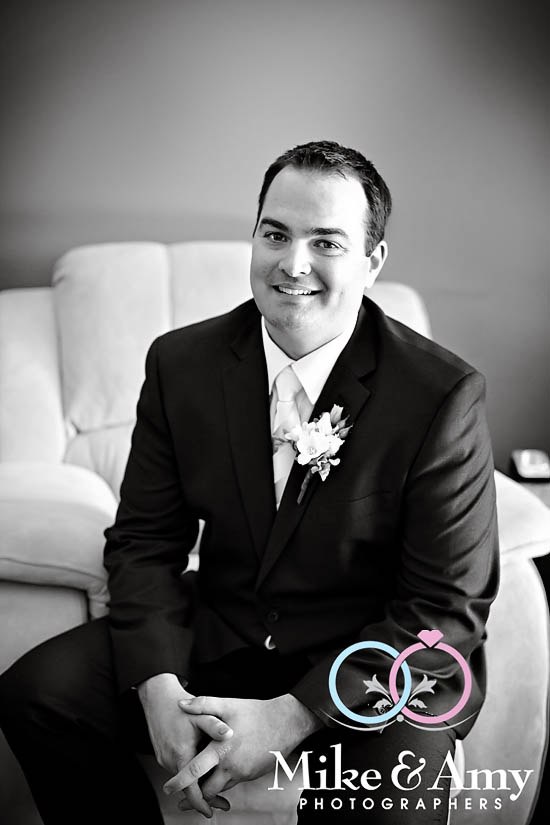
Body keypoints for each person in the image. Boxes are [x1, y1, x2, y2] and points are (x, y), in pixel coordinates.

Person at [0, 141, 499, 824]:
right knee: (39, 693)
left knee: (394, 799)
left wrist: (294, 715)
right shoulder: (182, 364)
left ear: (373, 261)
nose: (293, 263)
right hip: (228, 631)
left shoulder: (440, 395)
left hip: (374, 665)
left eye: (326, 242)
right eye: (276, 234)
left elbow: (446, 608)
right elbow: (145, 541)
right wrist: (157, 686)